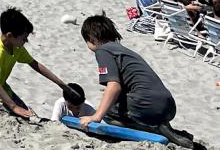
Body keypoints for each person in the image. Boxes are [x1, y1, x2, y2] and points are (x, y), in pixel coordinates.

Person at [78, 15, 193, 147]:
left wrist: (96, 117)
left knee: (108, 112)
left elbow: (114, 86)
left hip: (149, 105)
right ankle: (165, 128)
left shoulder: (103, 51)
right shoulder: (123, 50)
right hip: (168, 106)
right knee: (115, 102)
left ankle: (155, 130)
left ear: (91, 39)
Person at [0, 8, 67, 118]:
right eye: (24, 39)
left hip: (2, 85)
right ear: (10, 36)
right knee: (9, 117)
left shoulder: (16, 46)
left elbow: (34, 64)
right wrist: (14, 107)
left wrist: (60, 84)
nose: (26, 42)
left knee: (28, 114)